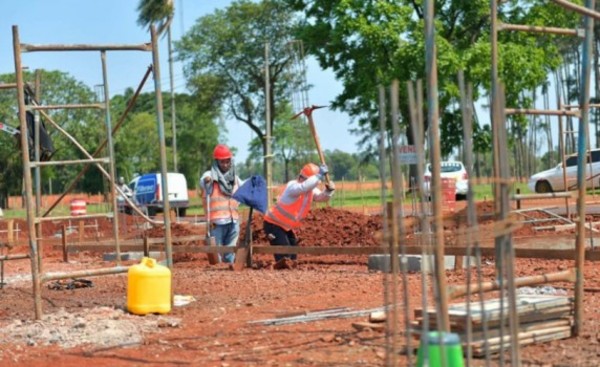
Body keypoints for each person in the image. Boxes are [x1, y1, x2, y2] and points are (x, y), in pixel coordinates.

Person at [263, 163, 335, 266]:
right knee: (285, 254)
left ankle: (290, 275)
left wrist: (328, 191)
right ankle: (281, 275)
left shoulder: (310, 190)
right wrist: (319, 175)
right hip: (273, 224)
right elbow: (303, 187)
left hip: (285, 227)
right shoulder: (293, 186)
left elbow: (320, 197)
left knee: (293, 253)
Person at [200, 144, 243, 264]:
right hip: (216, 222)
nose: (225, 164)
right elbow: (203, 181)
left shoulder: (235, 178)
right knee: (216, 253)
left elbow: (244, 189)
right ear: (217, 162)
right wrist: (207, 180)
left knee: (230, 251)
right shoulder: (210, 175)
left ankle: (229, 275)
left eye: (227, 161)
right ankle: (216, 278)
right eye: (222, 162)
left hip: (233, 221)